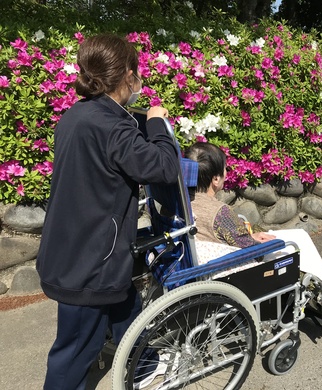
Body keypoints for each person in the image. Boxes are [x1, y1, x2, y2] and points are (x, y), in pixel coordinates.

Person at [36, 34, 180, 390]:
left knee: (125, 305)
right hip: (90, 263)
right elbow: (163, 167)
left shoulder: (76, 116)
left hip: (72, 248)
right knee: (72, 355)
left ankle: (144, 365)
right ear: (129, 75)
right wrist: (158, 123)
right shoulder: (112, 126)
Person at [183, 142, 322, 296]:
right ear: (215, 179)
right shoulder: (219, 212)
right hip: (231, 268)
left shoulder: (180, 203)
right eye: (225, 169)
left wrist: (250, 237)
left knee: (278, 236)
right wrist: (257, 242)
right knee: (297, 239)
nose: (227, 173)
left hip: (200, 261)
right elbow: (248, 248)